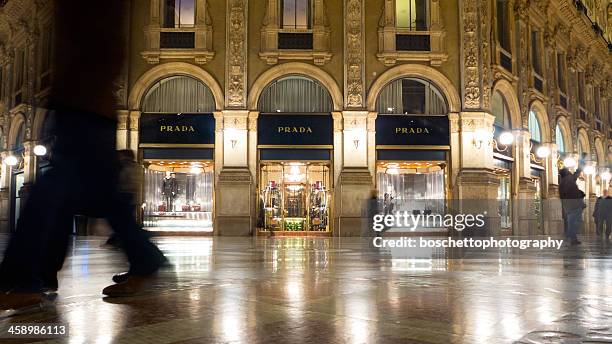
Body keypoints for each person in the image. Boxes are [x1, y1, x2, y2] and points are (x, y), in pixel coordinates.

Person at [0, 0, 167, 311]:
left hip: (84, 106)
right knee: (96, 198)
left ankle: (22, 279)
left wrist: (75, 92)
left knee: (47, 192)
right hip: (84, 105)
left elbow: (100, 43)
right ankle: (143, 259)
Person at [106, 150, 145, 247]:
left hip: (125, 196)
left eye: (121, 155)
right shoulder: (137, 167)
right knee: (126, 219)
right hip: (133, 197)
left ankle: (118, 239)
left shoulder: (125, 166)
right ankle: (117, 239)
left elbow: (122, 181)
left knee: (122, 220)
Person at [559, 166, 585, 246]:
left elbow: (562, 195)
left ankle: (573, 238)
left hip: (568, 205)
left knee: (572, 221)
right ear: (567, 172)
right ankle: (569, 234)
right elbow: (576, 174)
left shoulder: (562, 182)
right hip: (574, 205)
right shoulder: (569, 179)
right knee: (577, 221)